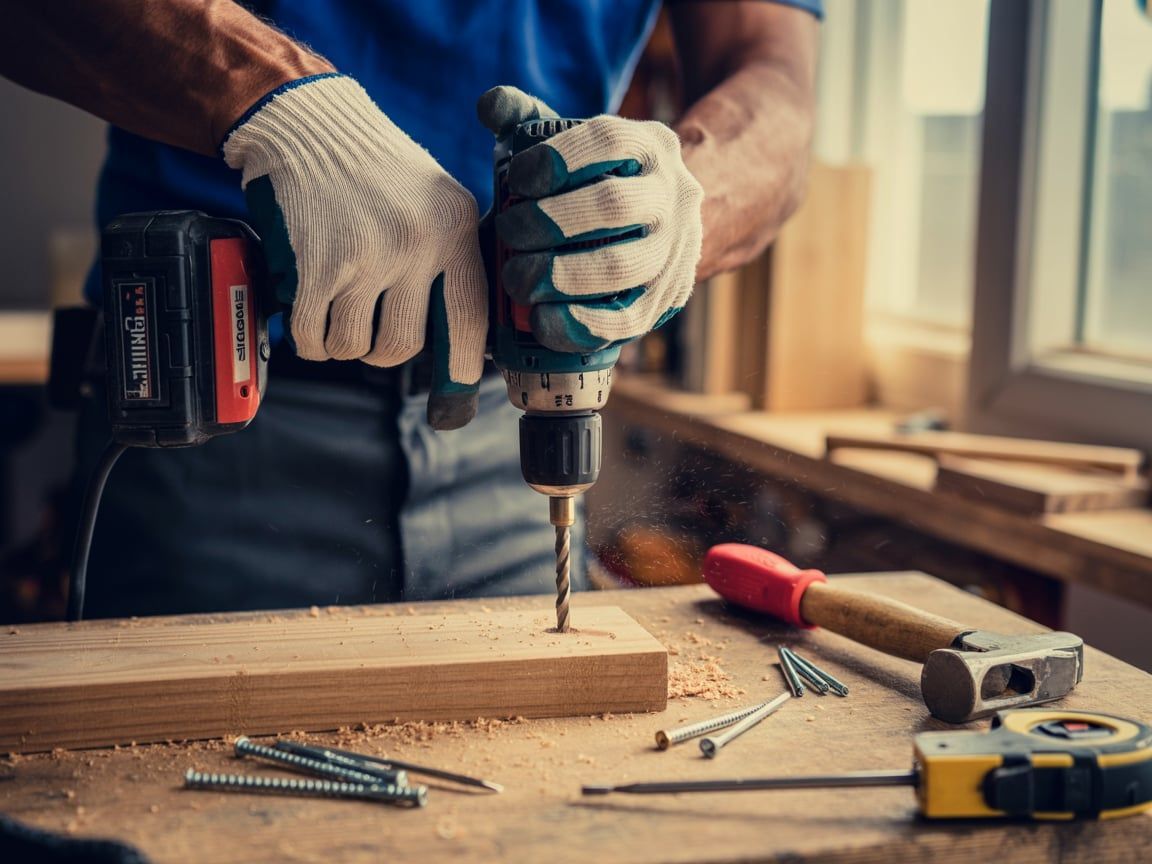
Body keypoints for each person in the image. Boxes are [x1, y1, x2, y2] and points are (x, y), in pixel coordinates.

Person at [1, 0, 821, 617]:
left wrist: (686, 197)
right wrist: (285, 105)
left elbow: (775, 73)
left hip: (501, 432)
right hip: (211, 416)